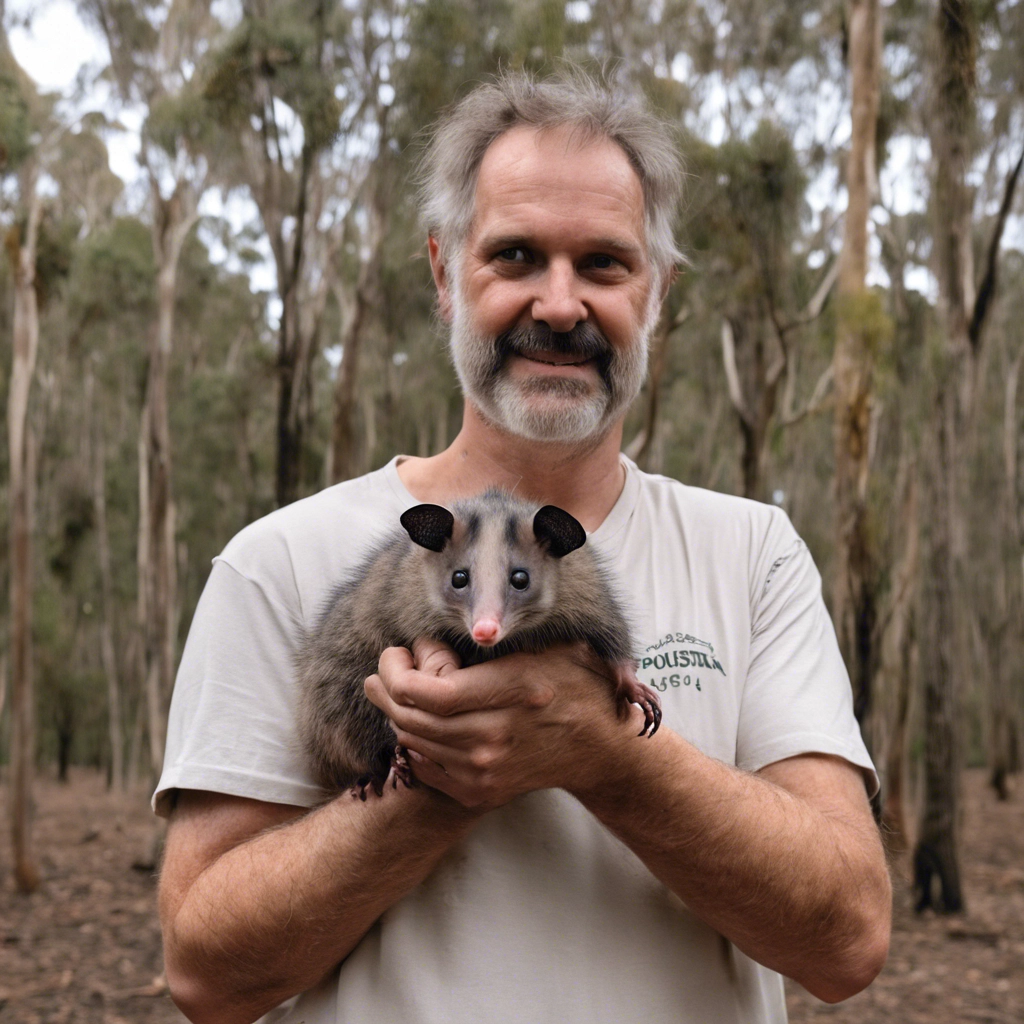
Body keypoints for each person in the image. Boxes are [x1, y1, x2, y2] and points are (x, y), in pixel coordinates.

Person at [155, 70, 891, 1024]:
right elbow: (206, 974)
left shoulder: (753, 552)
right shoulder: (277, 561)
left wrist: (603, 754)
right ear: (443, 273)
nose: (558, 303)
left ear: (657, 291)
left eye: (603, 264)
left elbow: (848, 942)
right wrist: (438, 775)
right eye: (514, 255)